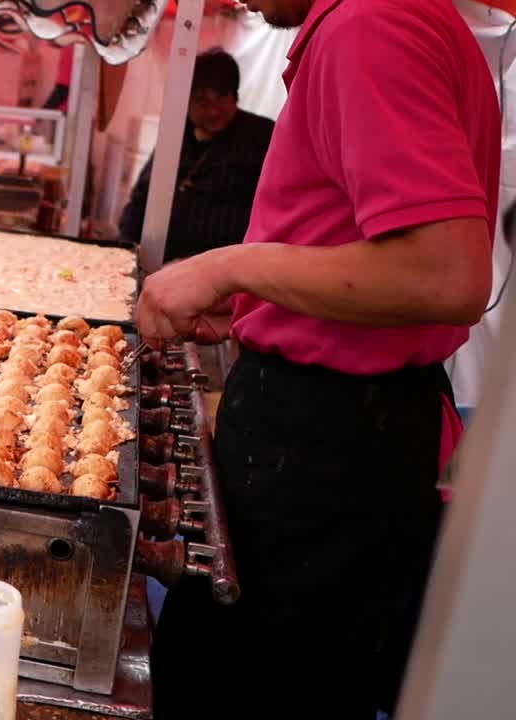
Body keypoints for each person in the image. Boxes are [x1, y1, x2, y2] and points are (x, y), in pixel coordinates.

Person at [141, 1, 498, 718]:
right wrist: (258, 306)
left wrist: (230, 269)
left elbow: (445, 276)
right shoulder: (386, 19)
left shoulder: (372, 23)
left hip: (329, 447)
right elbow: (358, 242)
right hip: (340, 431)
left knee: (248, 690)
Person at [117, 49, 274, 263]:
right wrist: (126, 248)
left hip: (226, 274)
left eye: (222, 98)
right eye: (202, 100)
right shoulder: (176, 135)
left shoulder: (262, 136)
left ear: (235, 96)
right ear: (186, 101)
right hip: (162, 266)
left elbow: (275, 209)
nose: (213, 111)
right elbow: (143, 196)